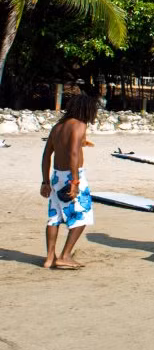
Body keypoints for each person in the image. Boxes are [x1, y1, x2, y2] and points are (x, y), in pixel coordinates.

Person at [40, 92, 101, 270]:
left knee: (54, 217)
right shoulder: (79, 125)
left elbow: (46, 155)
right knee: (82, 216)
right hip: (72, 176)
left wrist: (45, 181)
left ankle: (49, 258)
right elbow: (73, 153)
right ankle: (65, 256)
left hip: (56, 176)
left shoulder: (57, 127)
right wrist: (75, 182)